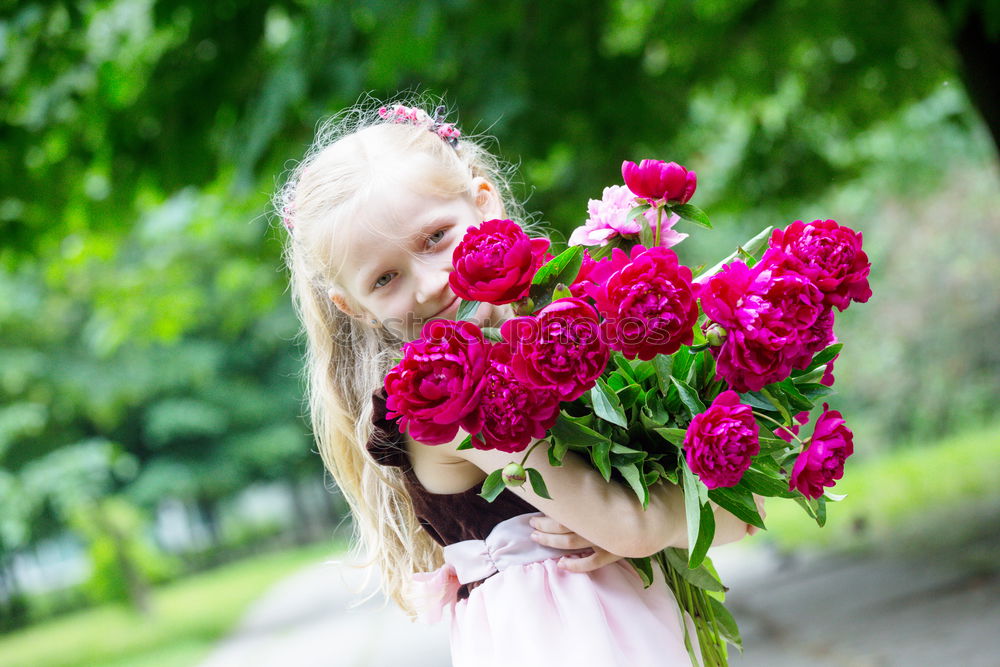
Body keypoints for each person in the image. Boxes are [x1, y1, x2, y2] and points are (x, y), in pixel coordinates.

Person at [276, 97, 761, 667]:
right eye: (385, 278)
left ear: (483, 203)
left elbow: (741, 510)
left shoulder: (571, 328)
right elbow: (634, 526)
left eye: (436, 237)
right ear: (353, 307)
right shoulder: (448, 403)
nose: (431, 283)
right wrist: (664, 519)